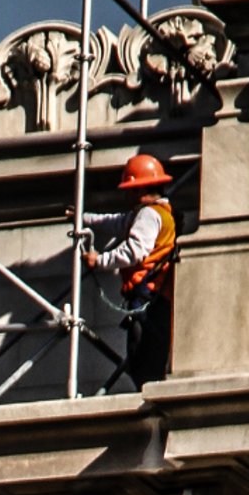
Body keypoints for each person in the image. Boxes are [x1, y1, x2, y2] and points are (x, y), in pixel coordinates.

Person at [78, 153, 178, 387]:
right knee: (143, 353)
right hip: (153, 295)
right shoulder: (154, 213)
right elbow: (116, 221)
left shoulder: (148, 215)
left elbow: (134, 251)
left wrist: (99, 260)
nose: (126, 195)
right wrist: (84, 218)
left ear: (139, 188)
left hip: (149, 295)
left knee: (143, 354)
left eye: (130, 189)